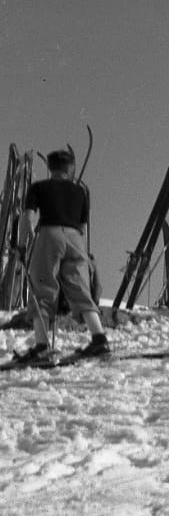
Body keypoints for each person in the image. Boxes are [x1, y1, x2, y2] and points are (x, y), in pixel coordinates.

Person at [13, 150, 108, 362]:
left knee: (43, 286)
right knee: (80, 287)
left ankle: (42, 345)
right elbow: (83, 227)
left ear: (49, 167)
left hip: (50, 234)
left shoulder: (39, 187)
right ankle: (99, 338)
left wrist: (22, 245)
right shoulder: (81, 192)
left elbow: (27, 219)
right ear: (70, 168)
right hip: (75, 239)